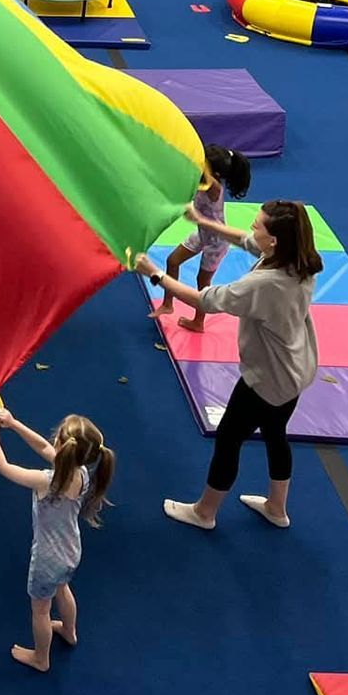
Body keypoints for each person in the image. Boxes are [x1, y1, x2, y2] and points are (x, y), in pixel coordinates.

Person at [137, 199, 322, 531]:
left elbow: (204, 299)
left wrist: (155, 274)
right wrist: (203, 222)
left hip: (268, 379)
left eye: (258, 224)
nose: (252, 227)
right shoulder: (299, 259)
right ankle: (276, 508)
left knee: (228, 438)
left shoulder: (265, 284)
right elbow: (245, 240)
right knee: (275, 432)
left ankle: (204, 512)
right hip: (297, 368)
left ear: (275, 239)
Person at [0, 408, 113, 673]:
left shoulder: (47, 482)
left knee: (41, 611)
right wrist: (15, 424)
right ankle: (69, 630)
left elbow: (3, 466)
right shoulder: (82, 474)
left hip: (46, 560)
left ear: (62, 446)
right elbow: (42, 445)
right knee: (63, 589)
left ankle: (41, 658)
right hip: (71, 551)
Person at [150, 145, 252, 333]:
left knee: (202, 281)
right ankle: (167, 304)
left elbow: (201, 175)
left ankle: (198, 322)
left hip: (217, 242)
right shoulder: (204, 179)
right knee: (172, 261)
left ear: (216, 173)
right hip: (202, 234)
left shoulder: (214, 187)